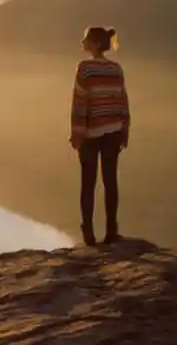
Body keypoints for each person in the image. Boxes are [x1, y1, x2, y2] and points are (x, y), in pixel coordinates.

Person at [70, 26, 130, 246]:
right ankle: (112, 232)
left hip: (90, 134)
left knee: (88, 183)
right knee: (110, 182)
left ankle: (89, 234)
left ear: (94, 44)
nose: (82, 42)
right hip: (113, 132)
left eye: (85, 39)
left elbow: (80, 103)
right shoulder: (116, 69)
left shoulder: (85, 69)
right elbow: (122, 101)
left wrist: (77, 134)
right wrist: (125, 130)